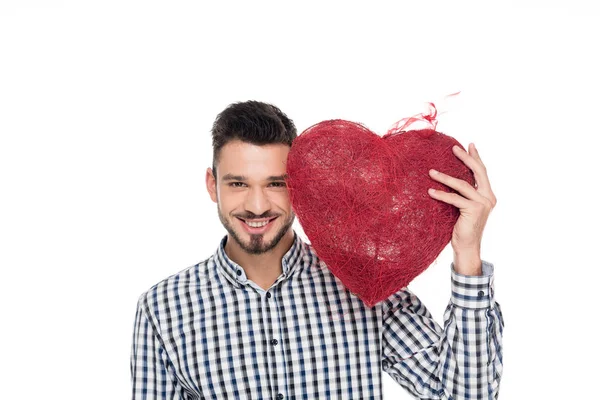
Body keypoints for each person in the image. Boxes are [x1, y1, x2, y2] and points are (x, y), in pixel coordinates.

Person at [130, 100, 504, 400]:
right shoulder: (163, 309)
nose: (258, 206)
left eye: (276, 183)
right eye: (239, 183)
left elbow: (465, 395)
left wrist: (467, 254)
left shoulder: (364, 284)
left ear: (301, 183)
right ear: (213, 185)